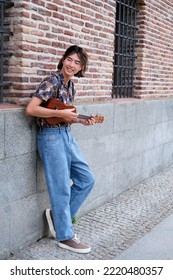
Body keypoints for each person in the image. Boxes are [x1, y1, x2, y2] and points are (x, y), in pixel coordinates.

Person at [26, 45, 95, 254]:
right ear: (63, 59)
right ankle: (65, 236)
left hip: (66, 136)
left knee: (87, 179)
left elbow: (62, 115)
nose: (72, 65)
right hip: (50, 138)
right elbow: (31, 109)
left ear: (81, 67)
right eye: (69, 59)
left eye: (77, 63)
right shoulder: (52, 81)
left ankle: (58, 217)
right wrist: (64, 117)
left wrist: (79, 120)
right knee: (61, 188)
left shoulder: (70, 85)